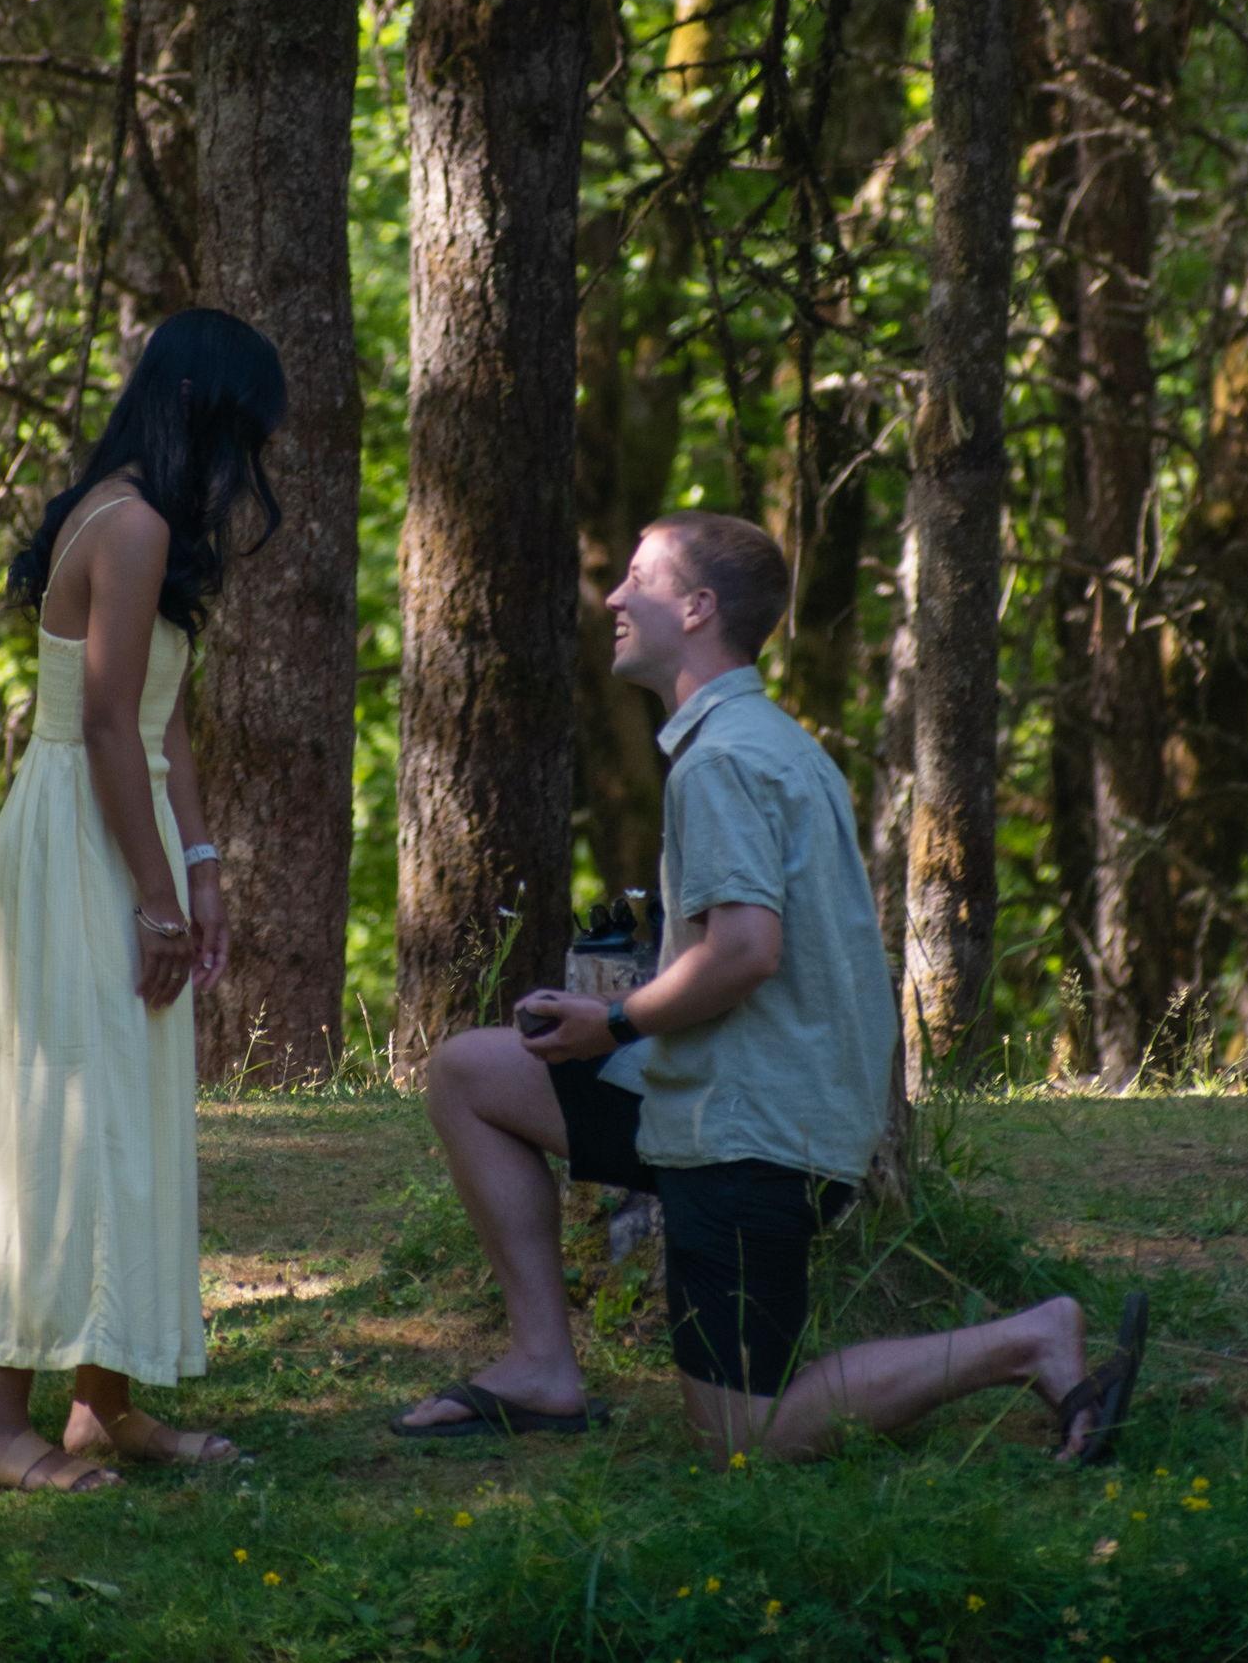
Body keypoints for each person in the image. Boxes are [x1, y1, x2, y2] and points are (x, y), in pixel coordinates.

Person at [392, 510, 1146, 1464]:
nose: (614, 596)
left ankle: (1028, 1339)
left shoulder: (724, 760)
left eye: (637, 578)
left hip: (752, 1136)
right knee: (470, 1074)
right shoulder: (768, 739)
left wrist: (612, 1021)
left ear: (698, 609)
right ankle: (542, 1364)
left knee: (743, 1438)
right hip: (717, 1098)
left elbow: (746, 951)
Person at [0, 307, 286, 1494]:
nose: (253, 466)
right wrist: (152, 896)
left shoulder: (145, 524)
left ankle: (103, 1403)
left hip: (124, 821)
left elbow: (160, 719)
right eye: (247, 433)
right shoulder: (129, 522)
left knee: (130, 1115)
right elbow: (99, 726)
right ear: (206, 414)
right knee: (64, 1117)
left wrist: (199, 870)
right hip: (79, 831)